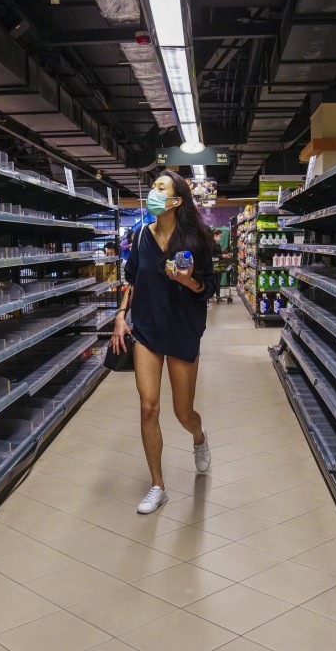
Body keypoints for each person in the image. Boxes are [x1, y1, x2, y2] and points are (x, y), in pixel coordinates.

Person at [110, 170, 217, 514]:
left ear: (176, 201)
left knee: (183, 412)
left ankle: (199, 438)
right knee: (148, 407)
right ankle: (158, 486)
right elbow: (132, 281)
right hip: (147, 328)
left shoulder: (195, 241)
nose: (153, 193)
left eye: (160, 188)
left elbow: (209, 288)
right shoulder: (141, 236)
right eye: (153, 186)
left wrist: (188, 282)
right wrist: (121, 315)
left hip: (183, 328)